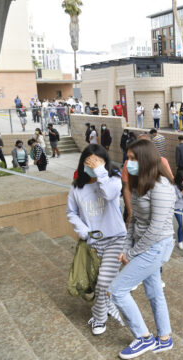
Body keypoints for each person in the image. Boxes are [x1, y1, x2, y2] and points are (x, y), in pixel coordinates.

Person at [109, 139, 176, 358]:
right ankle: (164, 338)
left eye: (132, 158)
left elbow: (156, 229)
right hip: (143, 244)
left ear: (145, 159)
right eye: (127, 158)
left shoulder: (161, 186)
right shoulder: (140, 183)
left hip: (157, 246)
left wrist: (131, 254)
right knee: (154, 291)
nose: (128, 163)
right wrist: (126, 247)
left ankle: (143, 338)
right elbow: (134, 220)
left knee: (117, 290)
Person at [67, 144, 126, 336]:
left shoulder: (113, 180)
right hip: (92, 242)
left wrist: (101, 172)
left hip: (115, 239)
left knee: (102, 283)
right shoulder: (77, 187)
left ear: (105, 163)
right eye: (88, 162)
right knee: (96, 282)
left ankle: (99, 317)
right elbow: (72, 212)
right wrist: (84, 231)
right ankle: (107, 305)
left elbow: (108, 194)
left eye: (97, 161)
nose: (92, 166)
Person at [121, 134, 173, 224]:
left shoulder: (162, 162)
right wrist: (130, 211)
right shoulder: (129, 164)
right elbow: (127, 188)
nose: (130, 162)